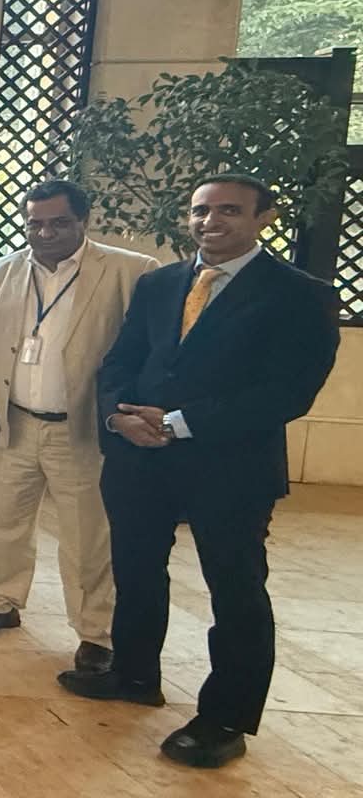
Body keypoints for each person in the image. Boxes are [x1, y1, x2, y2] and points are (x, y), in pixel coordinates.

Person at [59, 174, 338, 771]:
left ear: (264, 218)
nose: (211, 222)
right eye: (201, 211)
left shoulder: (298, 294)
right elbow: (121, 361)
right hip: (141, 459)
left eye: (229, 211)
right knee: (136, 571)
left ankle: (227, 718)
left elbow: (288, 391)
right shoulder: (161, 284)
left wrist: (180, 422)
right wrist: (116, 416)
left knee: (234, 589)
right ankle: (134, 674)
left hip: (229, 466)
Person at [0, 180, 155, 673]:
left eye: (58, 223)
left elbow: (145, 354)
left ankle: (95, 632)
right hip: (15, 421)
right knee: (4, 520)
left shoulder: (130, 272)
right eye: (35, 223)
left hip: (83, 428)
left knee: (87, 535)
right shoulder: (1, 271)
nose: (45, 233)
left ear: (83, 220)